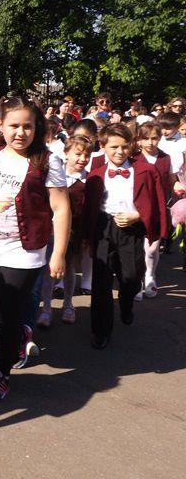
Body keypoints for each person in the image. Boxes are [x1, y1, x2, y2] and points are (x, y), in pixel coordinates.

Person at [0, 96, 70, 404]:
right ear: (0, 125)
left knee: (9, 313)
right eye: (13, 125)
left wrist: (58, 254)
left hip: (26, 250)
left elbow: (61, 208)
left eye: (27, 126)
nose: (20, 132)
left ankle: (0, 373)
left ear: (36, 127)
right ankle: (19, 333)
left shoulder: (48, 160)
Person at [85, 123, 167, 349]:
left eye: (124, 146)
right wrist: (86, 237)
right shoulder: (96, 174)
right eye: (113, 147)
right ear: (103, 146)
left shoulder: (145, 171)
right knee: (101, 282)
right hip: (104, 227)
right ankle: (101, 330)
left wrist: (138, 216)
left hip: (132, 229)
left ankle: (126, 301)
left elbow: (156, 202)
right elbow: (89, 207)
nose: (119, 152)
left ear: (131, 146)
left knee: (131, 277)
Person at [38, 135, 90, 327]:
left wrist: (86, 236)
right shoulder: (53, 174)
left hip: (74, 232)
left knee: (69, 269)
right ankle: (46, 309)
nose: (82, 159)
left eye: (87, 155)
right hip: (51, 230)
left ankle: (68, 304)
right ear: (66, 153)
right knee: (49, 270)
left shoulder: (88, 180)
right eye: (78, 154)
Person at [133, 122, 176, 300]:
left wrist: (178, 186)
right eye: (146, 138)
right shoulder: (133, 158)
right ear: (139, 140)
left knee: (152, 249)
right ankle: (137, 281)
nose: (150, 142)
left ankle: (150, 275)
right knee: (137, 249)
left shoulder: (166, 158)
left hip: (158, 209)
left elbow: (173, 181)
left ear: (159, 138)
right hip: (136, 210)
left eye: (154, 138)